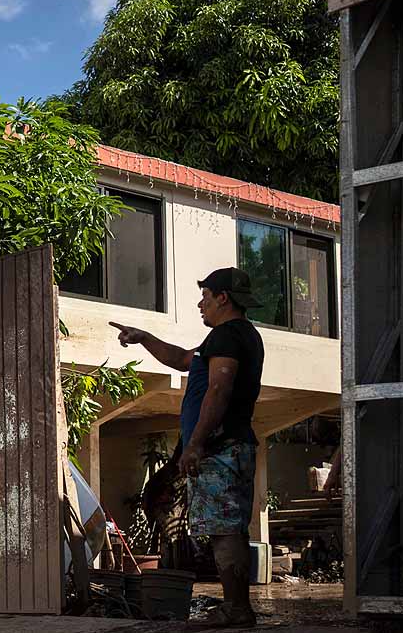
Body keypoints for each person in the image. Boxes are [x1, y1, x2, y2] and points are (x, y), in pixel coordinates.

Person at [110, 267, 265, 628]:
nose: (201, 304)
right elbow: (182, 359)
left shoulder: (229, 336)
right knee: (225, 528)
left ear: (223, 298)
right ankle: (236, 606)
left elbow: (219, 390)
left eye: (206, 296)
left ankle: (237, 608)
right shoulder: (228, 338)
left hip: (220, 448)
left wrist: (195, 444)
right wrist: (144, 337)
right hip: (223, 448)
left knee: (225, 530)